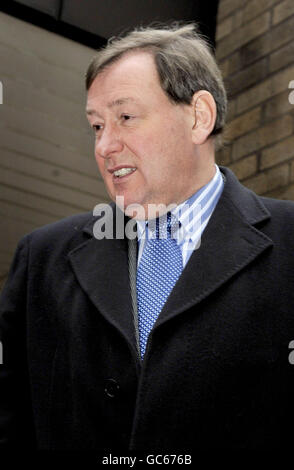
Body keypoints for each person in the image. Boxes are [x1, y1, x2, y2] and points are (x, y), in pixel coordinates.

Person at [1, 23, 294, 452]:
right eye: (97, 126)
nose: (104, 146)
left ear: (199, 117)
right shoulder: (43, 258)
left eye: (125, 117)